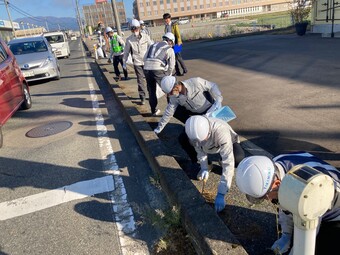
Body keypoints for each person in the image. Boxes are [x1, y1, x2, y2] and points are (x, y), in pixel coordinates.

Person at [235, 152, 340, 255]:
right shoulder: (274, 168)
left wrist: (295, 250)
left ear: (276, 183)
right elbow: (284, 207)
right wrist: (286, 236)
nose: (267, 200)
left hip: (334, 213)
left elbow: (309, 233)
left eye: (266, 197)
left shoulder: (305, 190)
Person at [154, 76, 224, 161]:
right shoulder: (174, 97)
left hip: (210, 111)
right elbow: (169, 112)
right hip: (197, 116)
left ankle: (222, 156)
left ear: (176, 87)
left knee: (217, 134)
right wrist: (159, 127)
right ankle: (199, 161)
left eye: (170, 93)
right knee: (183, 139)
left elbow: (212, 86)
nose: (169, 95)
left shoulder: (196, 82)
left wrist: (218, 99)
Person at [185, 115, 245, 212]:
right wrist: (204, 167)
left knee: (238, 159)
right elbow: (200, 151)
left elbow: (228, 162)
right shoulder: (193, 131)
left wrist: (221, 193)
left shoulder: (221, 132)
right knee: (182, 139)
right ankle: (209, 165)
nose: (199, 144)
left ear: (208, 133)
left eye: (202, 141)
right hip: (211, 147)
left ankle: (220, 159)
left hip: (227, 144)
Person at [144, 32, 175, 115]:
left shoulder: (153, 45)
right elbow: (172, 65)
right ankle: (171, 111)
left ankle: (153, 110)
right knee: (168, 89)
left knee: (151, 90)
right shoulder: (169, 49)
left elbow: (145, 58)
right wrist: (168, 74)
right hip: (157, 69)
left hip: (146, 68)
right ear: (170, 41)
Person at [123, 19, 153, 105]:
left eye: (136, 28)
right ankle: (142, 97)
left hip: (146, 62)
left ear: (139, 28)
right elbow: (126, 52)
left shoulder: (146, 36)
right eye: (133, 29)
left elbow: (151, 46)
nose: (135, 30)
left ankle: (151, 95)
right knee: (140, 81)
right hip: (137, 63)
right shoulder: (129, 40)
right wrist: (124, 62)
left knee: (149, 80)